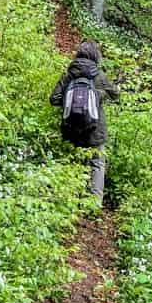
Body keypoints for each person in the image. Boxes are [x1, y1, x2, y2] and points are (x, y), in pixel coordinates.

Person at [49, 40, 119, 199]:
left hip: (71, 128)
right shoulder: (99, 75)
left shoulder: (69, 75)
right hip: (95, 130)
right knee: (97, 164)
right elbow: (116, 94)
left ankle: (73, 199)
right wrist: (100, 95)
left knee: (74, 162)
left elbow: (54, 99)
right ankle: (94, 202)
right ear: (95, 55)